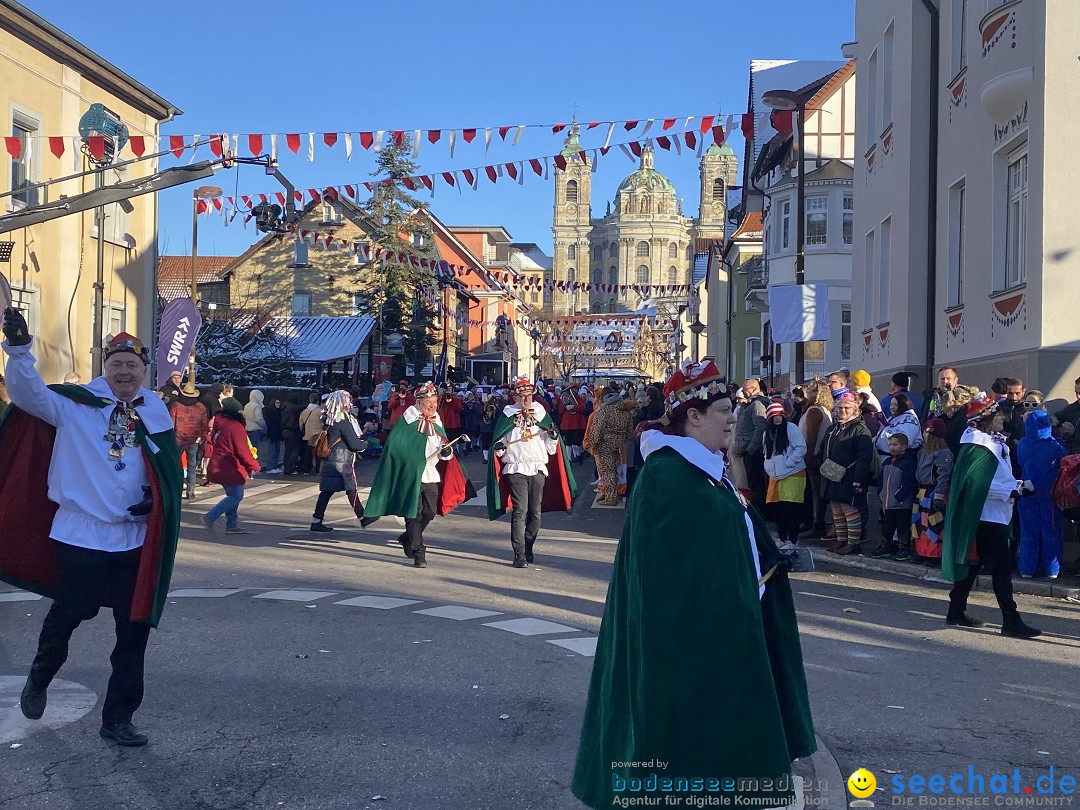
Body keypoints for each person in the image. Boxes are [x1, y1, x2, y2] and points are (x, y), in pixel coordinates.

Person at [572, 359, 815, 809]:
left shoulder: (703, 469)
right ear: (693, 415)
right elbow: (669, 576)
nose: (733, 418)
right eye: (723, 410)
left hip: (724, 623)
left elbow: (723, 538)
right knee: (684, 734)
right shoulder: (669, 476)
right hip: (690, 638)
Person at [0, 316, 182, 748]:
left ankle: (118, 719)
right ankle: (39, 678)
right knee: (70, 614)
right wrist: (20, 348)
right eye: (116, 363)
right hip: (80, 535)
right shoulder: (74, 404)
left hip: (135, 537)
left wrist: (158, 499)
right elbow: (27, 394)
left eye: (132, 365)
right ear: (106, 367)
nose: (124, 371)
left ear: (144, 370)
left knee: (133, 631)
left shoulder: (155, 409)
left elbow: (167, 468)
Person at [942, 393, 1040, 638]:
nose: (1003, 418)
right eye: (998, 415)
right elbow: (976, 486)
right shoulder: (979, 447)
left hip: (996, 513)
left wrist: (1018, 485)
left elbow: (996, 479)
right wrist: (1012, 492)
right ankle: (1011, 620)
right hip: (986, 515)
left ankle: (956, 610)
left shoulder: (993, 443)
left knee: (974, 563)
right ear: (986, 420)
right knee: (1002, 568)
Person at [362, 382, 475, 568]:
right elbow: (396, 449)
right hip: (411, 476)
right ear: (418, 403)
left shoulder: (436, 420)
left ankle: (408, 538)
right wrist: (412, 461)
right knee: (414, 514)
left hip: (430, 475)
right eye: (428, 402)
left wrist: (446, 453)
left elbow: (441, 446)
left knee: (429, 512)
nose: (432, 406)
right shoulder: (407, 422)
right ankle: (419, 551)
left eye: (434, 402)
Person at [487, 377, 577, 567]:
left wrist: (553, 437)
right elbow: (500, 446)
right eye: (523, 396)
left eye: (530, 396)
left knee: (535, 512)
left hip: (537, 468)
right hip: (516, 468)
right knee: (521, 510)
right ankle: (518, 553)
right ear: (516, 397)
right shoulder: (508, 415)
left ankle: (528, 545)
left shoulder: (541, 413)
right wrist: (499, 447)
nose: (527, 400)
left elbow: (551, 449)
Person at [818, 392, 874, 555]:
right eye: (840, 408)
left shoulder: (860, 430)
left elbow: (865, 457)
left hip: (850, 476)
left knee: (849, 508)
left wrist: (859, 479)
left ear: (855, 410)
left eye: (847, 407)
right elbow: (823, 449)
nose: (843, 410)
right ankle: (841, 540)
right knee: (836, 508)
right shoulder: (832, 428)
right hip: (832, 474)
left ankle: (853, 543)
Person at [1016, 409, 1066, 579]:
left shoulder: (1023, 443)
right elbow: (1065, 460)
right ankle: (1051, 569)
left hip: (1027, 491)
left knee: (1028, 531)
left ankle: (1026, 568)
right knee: (1050, 530)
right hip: (1048, 493)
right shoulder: (1054, 446)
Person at [308, 390, 367, 532]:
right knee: (351, 488)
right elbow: (354, 444)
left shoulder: (329, 419)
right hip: (341, 459)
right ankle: (363, 517)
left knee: (327, 492)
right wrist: (364, 445)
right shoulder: (342, 420)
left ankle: (316, 520)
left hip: (330, 459)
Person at [202, 397, 260, 535]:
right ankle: (211, 517)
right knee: (236, 496)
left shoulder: (219, 423)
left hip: (218, 463)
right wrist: (255, 465)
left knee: (232, 495)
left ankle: (232, 524)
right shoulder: (236, 427)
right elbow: (243, 450)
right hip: (231, 466)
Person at [585, 385, 640, 506]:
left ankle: (610, 497)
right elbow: (630, 430)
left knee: (607, 471)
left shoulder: (604, 410)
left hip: (605, 443)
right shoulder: (625, 412)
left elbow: (597, 429)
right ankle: (613, 494)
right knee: (615, 469)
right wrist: (622, 440)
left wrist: (593, 445)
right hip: (619, 443)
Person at [763, 401, 807, 550]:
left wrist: (789, 463)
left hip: (794, 473)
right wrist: (769, 467)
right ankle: (782, 538)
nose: (777, 418)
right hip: (775, 475)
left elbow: (801, 448)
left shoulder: (791, 428)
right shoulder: (767, 433)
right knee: (777, 508)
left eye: (780, 415)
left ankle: (793, 540)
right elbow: (766, 452)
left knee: (792, 508)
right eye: (774, 416)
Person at [870, 433, 918, 560]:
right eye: (890, 444)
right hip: (887, 502)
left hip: (901, 504)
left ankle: (904, 548)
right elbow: (881, 480)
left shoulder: (908, 463)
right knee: (887, 526)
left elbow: (908, 482)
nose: (892, 447)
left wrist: (899, 496)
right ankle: (886, 547)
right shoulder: (887, 462)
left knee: (902, 526)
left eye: (895, 444)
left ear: (904, 447)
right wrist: (880, 493)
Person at [912, 417, 953, 561]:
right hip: (922, 491)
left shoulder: (943, 453)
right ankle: (922, 551)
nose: (924, 435)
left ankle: (936, 553)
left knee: (934, 522)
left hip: (934, 492)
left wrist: (939, 496)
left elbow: (943, 475)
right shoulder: (923, 451)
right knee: (920, 523)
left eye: (927, 432)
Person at [734, 377, 770, 509]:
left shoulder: (757, 404)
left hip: (753, 452)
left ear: (754, 389)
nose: (743, 392)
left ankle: (760, 511)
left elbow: (760, 427)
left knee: (757, 485)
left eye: (745, 389)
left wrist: (751, 448)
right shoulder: (750, 403)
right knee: (752, 483)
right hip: (747, 449)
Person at [169, 388, 209, 499]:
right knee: (192, 464)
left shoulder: (176, 405)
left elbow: (171, 422)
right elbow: (204, 424)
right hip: (194, 438)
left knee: (176, 464)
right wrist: (203, 437)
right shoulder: (200, 407)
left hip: (178, 438)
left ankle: (177, 487)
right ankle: (190, 489)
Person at [875, 393, 923, 459]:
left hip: (897, 459)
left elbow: (906, 440)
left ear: (902, 405)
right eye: (891, 404)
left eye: (896, 405)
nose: (892, 407)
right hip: (885, 458)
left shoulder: (909, 419)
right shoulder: (893, 418)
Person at [557, 387, 589, 464]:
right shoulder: (564, 398)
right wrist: (563, 403)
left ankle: (578, 455)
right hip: (567, 423)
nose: (574, 391)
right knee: (568, 442)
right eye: (572, 390)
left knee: (576, 441)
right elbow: (560, 410)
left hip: (577, 423)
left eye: (575, 390)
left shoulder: (579, 399)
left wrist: (573, 407)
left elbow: (582, 408)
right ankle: (569, 459)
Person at [1052, 377, 1080, 454]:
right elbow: (1054, 418)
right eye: (1076, 393)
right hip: (1072, 457)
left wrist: (1075, 433)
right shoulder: (1072, 408)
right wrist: (1061, 431)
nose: (1078, 397)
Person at [243, 389, 267, 459]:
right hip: (255, 429)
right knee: (254, 449)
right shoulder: (257, 406)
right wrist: (264, 426)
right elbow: (258, 418)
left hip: (247, 428)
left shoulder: (247, 405)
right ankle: (253, 464)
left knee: (248, 448)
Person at [263, 397, 284, 474]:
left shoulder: (279, 412)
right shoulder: (270, 412)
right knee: (272, 450)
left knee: (277, 450)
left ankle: (274, 466)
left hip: (278, 433)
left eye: (279, 403)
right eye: (277, 403)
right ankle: (271, 467)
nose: (278, 404)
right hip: (273, 433)